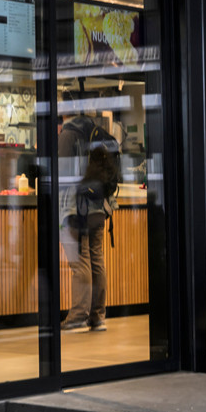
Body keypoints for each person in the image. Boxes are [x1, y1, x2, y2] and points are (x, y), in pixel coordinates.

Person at [60, 110, 120, 334]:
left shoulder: (68, 134)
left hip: (78, 207)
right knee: (96, 259)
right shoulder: (97, 131)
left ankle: (78, 316)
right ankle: (98, 316)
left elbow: (61, 172)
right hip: (100, 206)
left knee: (80, 260)